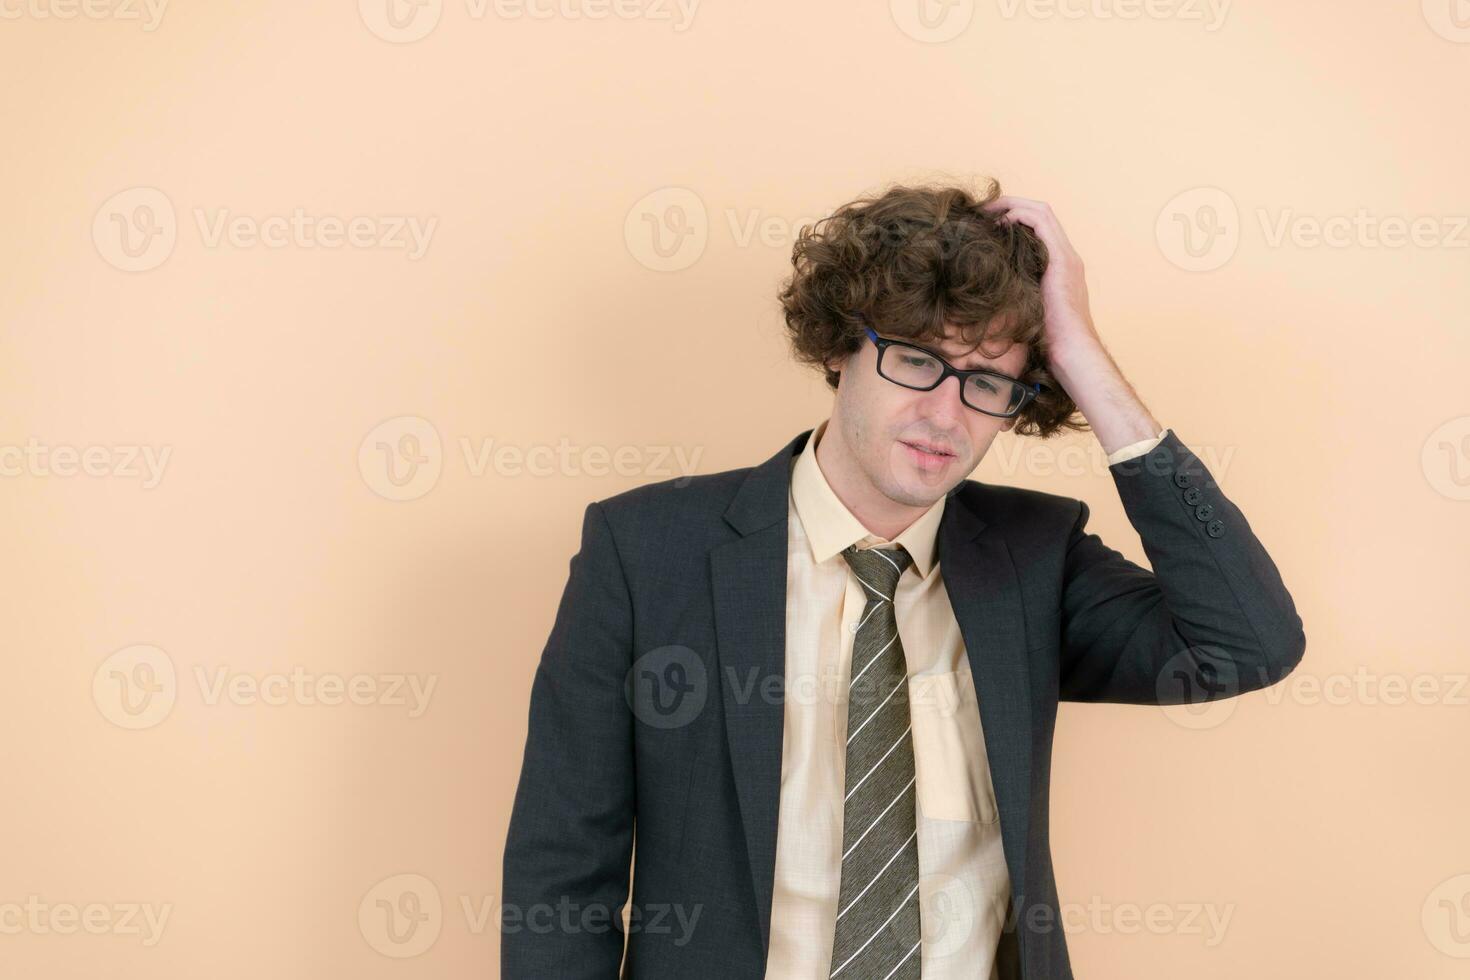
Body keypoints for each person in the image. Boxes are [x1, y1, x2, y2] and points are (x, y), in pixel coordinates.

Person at [500, 181, 1306, 979]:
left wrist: (1084, 358)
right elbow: (563, 869)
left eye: (987, 381)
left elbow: (1247, 643)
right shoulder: (646, 551)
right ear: (837, 348)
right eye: (917, 360)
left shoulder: (1033, 558)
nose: (947, 416)